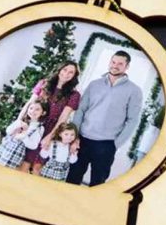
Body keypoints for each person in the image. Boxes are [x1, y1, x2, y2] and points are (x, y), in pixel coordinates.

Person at [66, 50, 143, 187]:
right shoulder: (94, 84)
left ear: (127, 67)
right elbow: (81, 110)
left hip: (106, 145)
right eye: (113, 62)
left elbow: (133, 120)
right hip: (82, 140)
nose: (115, 66)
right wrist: (75, 136)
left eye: (120, 64)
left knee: (97, 185)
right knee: (72, 179)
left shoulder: (134, 90)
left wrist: (115, 145)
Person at [22, 61, 81, 175]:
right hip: (35, 126)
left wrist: (50, 136)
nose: (66, 74)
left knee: (38, 167)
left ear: (74, 76)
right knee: (24, 163)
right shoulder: (43, 84)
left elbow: (63, 118)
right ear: (59, 69)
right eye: (65, 70)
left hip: (53, 129)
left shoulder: (74, 95)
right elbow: (30, 104)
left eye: (71, 72)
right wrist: (20, 122)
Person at [0, 99, 46, 169]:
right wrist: (17, 125)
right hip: (5, 147)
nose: (32, 111)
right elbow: (8, 131)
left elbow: (34, 146)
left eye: (37, 109)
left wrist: (24, 135)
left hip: (16, 153)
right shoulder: (22, 120)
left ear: (43, 113)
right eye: (31, 108)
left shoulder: (39, 127)